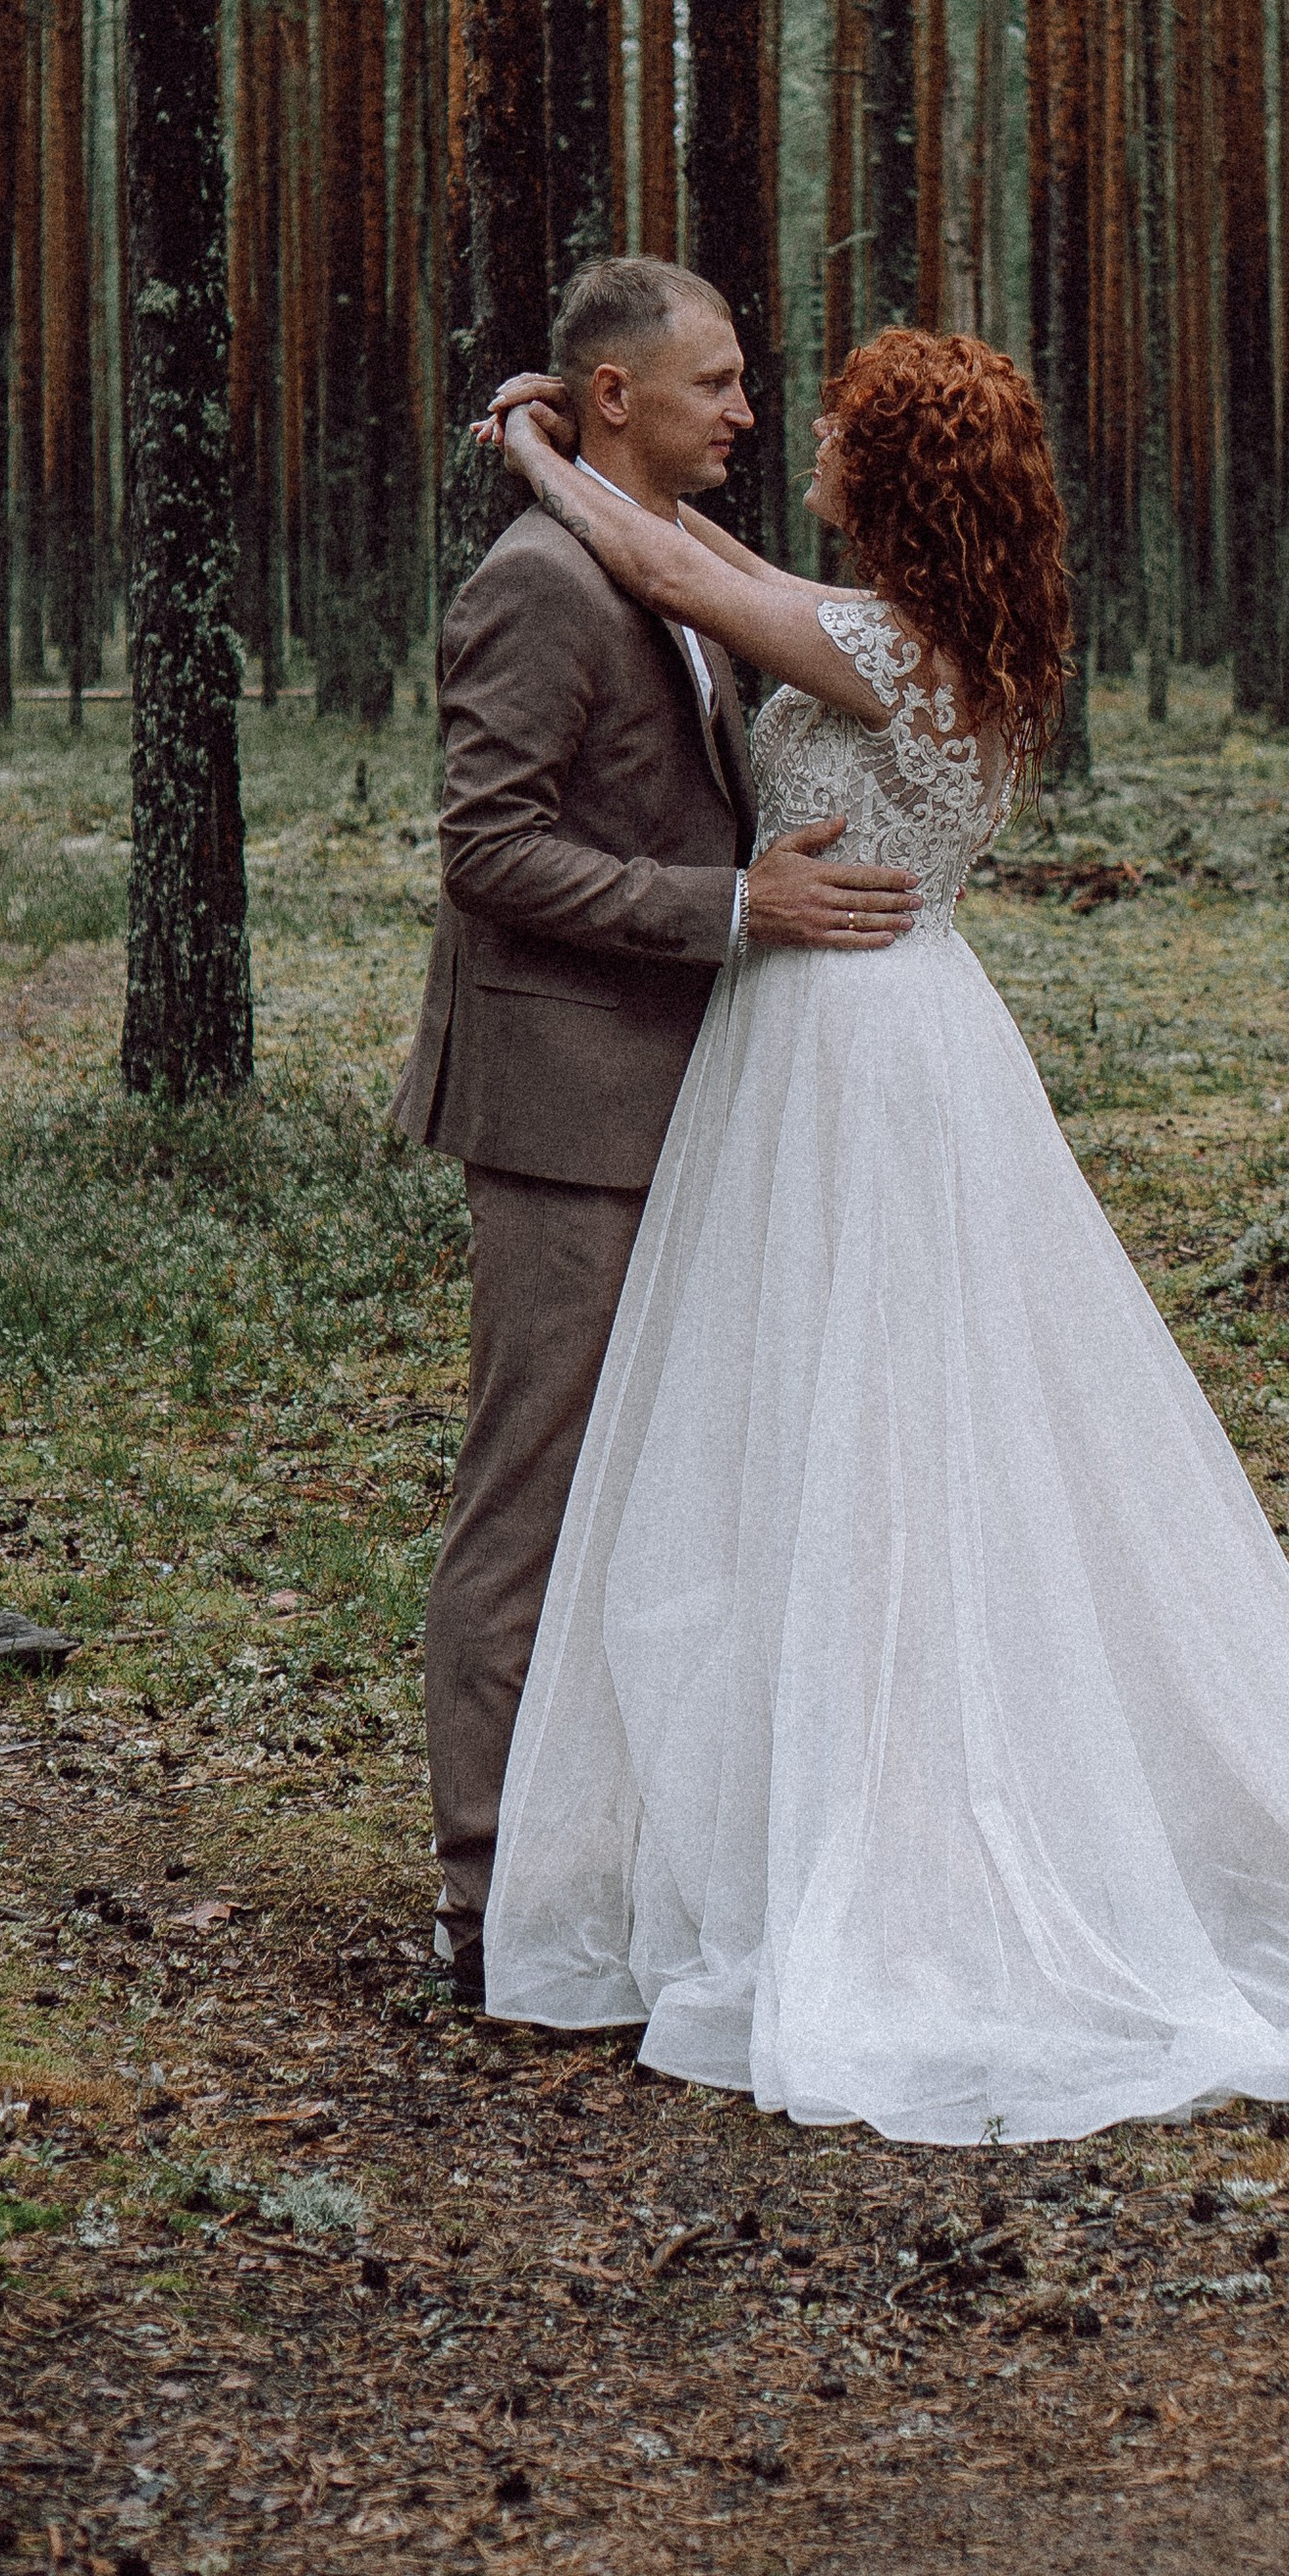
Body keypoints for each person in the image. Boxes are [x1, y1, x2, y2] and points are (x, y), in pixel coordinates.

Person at [476, 324, 1289, 2141]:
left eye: (845, 442)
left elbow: (664, 564)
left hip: (851, 1050)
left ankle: (889, 1810)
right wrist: (597, 480)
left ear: (901, 487)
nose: (802, 454)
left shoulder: (887, 654)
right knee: (881, 1425)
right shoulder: (940, 642)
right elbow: (715, 569)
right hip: (882, 1033)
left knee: (872, 1426)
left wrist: (539, 458)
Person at [391, 255, 917, 2006]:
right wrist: (727, 907)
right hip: (562, 1111)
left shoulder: (661, 564)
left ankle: (599, 1862)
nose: (746, 414)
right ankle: (484, 1896)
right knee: (533, 1494)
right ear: (611, 394)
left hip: (685, 1102)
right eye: (715, 384)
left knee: (653, 1497)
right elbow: (488, 849)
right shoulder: (540, 585)